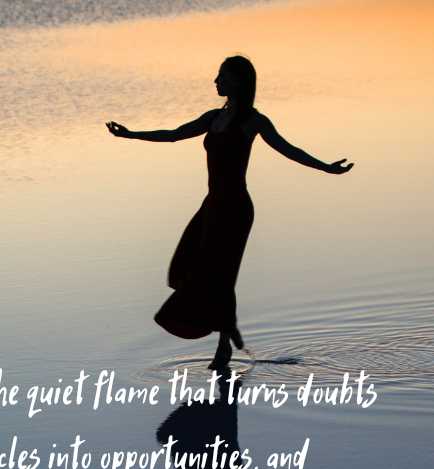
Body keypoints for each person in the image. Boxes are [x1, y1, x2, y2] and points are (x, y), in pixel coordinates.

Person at [107, 55, 353, 368]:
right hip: (212, 207)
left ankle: (224, 345)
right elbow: (172, 134)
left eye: (222, 75)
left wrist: (325, 167)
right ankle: (229, 326)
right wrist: (130, 134)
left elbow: (288, 150)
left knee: (220, 275)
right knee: (189, 267)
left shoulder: (254, 121)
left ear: (236, 81)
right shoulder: (212, 118)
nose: (216, 80)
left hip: (236, 209)